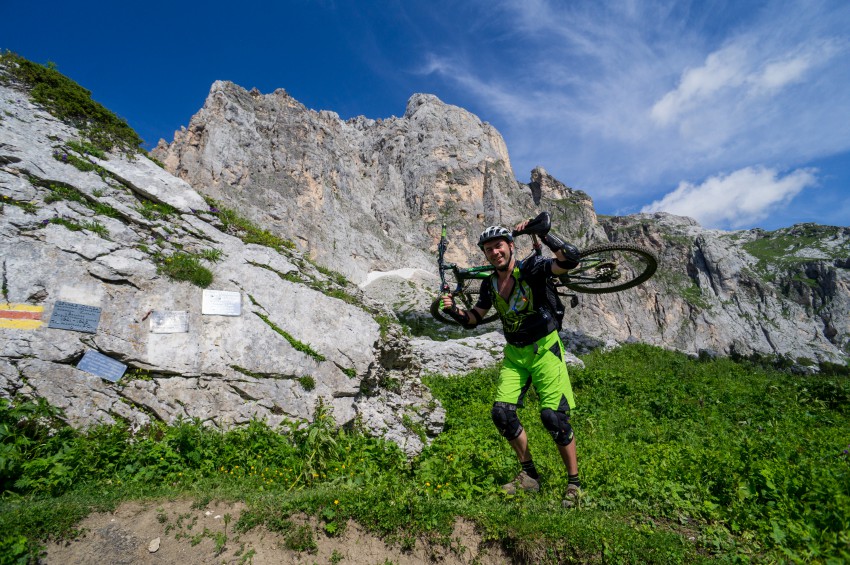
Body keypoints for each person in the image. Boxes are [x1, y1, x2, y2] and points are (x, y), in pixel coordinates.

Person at [440, 217, 583, 506]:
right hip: (515, 354)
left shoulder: (530, 268)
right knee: (502, 415)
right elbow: (474, 318)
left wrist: (545, 235)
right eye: (489, 249)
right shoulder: (489, 284)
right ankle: (529, 476)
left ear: (510, 246)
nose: (495, 252)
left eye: (499, 246)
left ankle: (574, 483)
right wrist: (455, 311)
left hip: (544, 349)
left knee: (553, 418)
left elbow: (569, 260)